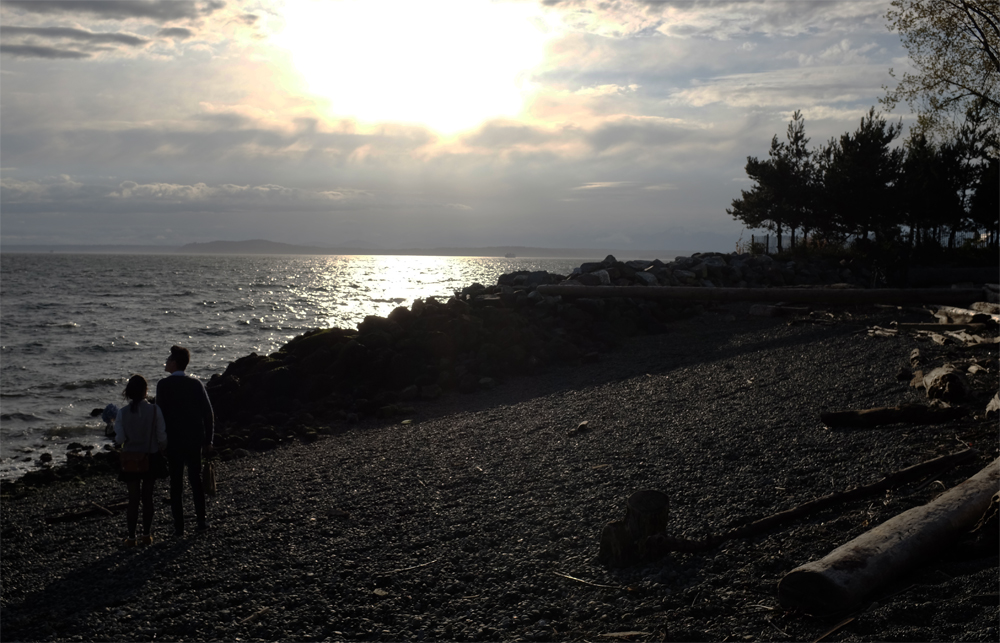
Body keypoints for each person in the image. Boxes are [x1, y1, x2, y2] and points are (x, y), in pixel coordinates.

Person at [156, 345, 215, 536]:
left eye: (168, 359)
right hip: (194, 438)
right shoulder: (195, 384)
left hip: (173, 440)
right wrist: (209, 440)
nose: (166, 361)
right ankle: (201, 520)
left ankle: (179, 526)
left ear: (174, 362)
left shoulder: (163, 385)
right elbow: (208, 413)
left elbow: (160, 417)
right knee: (195, 480)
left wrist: (160, 441)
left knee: (176, 483)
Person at [114, 375, 167, 547]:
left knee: (133, 499)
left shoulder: (122, 413)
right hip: (150, 457)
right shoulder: (154, 410)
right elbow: (162, 436)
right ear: (146, 391)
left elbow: (119, 439)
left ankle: (131, 537)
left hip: (130, 459)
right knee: (148, 497)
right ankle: (146, 535)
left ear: (128, 393)